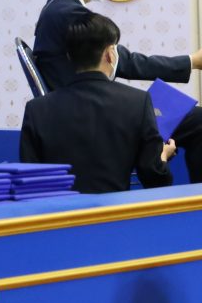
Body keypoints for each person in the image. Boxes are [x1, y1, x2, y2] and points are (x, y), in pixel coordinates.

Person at [32, 0, 202, 183]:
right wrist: (192, 61)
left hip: (82, 110)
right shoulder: (69, 13)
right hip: (92, 119)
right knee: (201, 121)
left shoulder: (55, 8)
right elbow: (125, 62)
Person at [21, 13, 176, 193]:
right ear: (110, 54)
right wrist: (162, 156)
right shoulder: (138, 102)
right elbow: (155, 179)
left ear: (69, 56)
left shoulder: (36, 109)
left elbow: (29, 181)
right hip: (115, 210)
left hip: (56, 210)